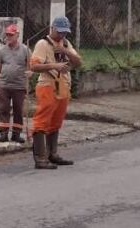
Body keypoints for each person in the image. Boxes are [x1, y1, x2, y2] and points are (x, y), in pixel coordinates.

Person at [29, 16, 82, 169]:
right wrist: (55, 66)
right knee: (42, 121)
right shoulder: (43, 44)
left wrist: (65, 51)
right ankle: (40, 158)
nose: (62, 36)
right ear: (52, 29)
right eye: (59, 32)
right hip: (47, 85)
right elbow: (34, 66)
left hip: (63, 85)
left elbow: (78, 62)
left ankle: (53, 154)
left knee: (56, 121)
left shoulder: (65, 43)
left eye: (64, 33)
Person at [0, 24, 30, 143]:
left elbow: (30, 66)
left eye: (11, 35)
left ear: (17, 35)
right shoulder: (2, 51)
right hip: (4, 85)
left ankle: (16, 134)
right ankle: (3, 133)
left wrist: (30, 74)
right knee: (3, 109)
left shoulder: (25, 50)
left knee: (18, 110)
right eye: (7, 35)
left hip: (19, 86)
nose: (8, 37)